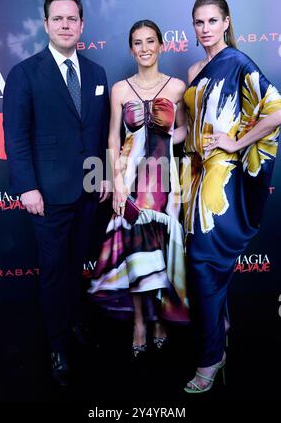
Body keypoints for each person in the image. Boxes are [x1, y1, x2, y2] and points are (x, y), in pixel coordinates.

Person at [3, 0, 110, 387]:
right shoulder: (25, 73)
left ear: (82, 25)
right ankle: (57, 345)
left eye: (72, 19)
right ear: (46, 24)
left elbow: (98, 134)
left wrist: (102, 177)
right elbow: (15, 137)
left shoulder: (97, 73)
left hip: (87, 192)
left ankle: (74, 326)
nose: (66, 25)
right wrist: (27, 187)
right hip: (45, 197)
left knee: (76, 267)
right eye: (58, 19)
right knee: (52, 272)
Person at [182, 0, 281, 393]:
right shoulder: (195, 68)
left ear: (226, 22)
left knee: (203, 263)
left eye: (212, 21)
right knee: (203, 264)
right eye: (198, 22)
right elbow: (190, 131)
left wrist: (237, 142)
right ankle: (219, 329)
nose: (205, 29)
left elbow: (278, 111)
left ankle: (210, 358)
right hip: (193, 178)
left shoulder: (239, 62)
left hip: (220, 180)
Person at [88, 19, 189, 355]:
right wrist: (117, 183)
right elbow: (112, 137)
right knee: (134, 254)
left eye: (150, 41)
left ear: (162, 45)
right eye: (137, 43)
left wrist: (163, 136)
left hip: (165, 184)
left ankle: (160, 318)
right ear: (131, 49)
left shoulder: (177, 87)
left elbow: (184, 132)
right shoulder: (120, 89)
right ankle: (140, 323)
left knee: (160, 251)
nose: (145, 48)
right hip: (131, 184)